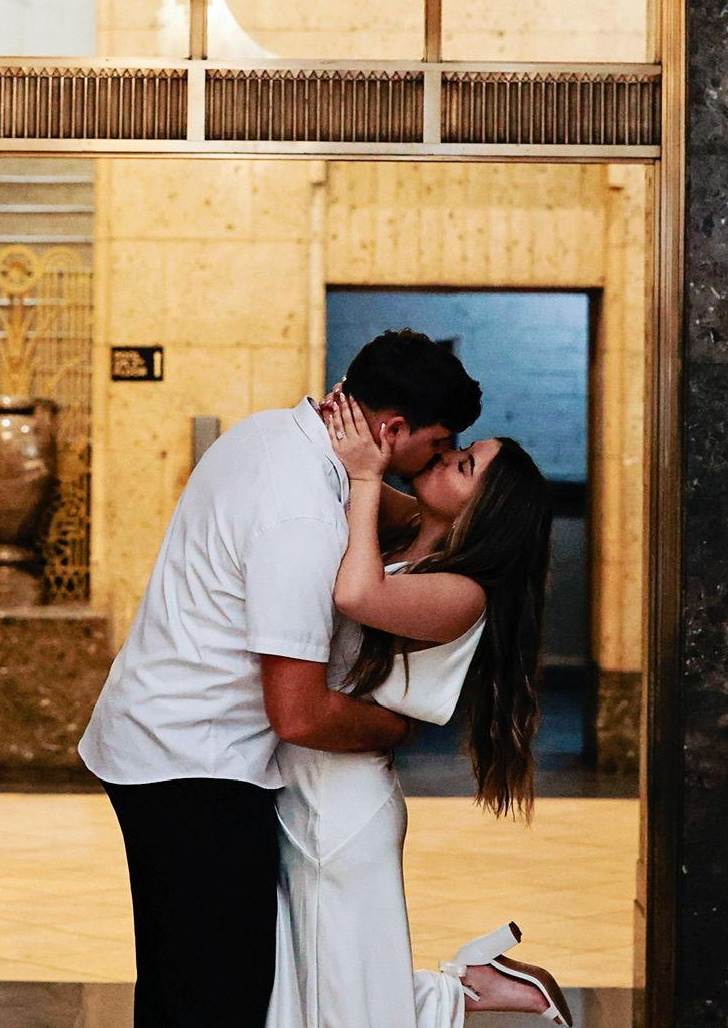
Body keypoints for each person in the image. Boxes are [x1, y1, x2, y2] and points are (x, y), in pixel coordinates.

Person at [77, 331, 482, 1028]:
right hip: (196, 762)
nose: (440, 459)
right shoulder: (302, 511)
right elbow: (299, 713)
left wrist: (449, 511)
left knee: (186, 978)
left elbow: (401, 512)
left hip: (160, 736)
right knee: (215, 997)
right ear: (390, 430)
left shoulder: (272, 434)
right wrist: (397, 729)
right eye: (438, 444)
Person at [264, 392, 571, 1028]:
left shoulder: (462, 593)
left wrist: (367, 476)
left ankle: (470, 993)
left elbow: (356, 595)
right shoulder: (406, 535)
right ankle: (475, 986)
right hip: (302, 783)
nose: (447, 456)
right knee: (312, 994)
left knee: (348, 1008)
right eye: (459, 449)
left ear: (486, 512)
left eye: (465, 465)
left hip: (341, 808)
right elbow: (341, 470)